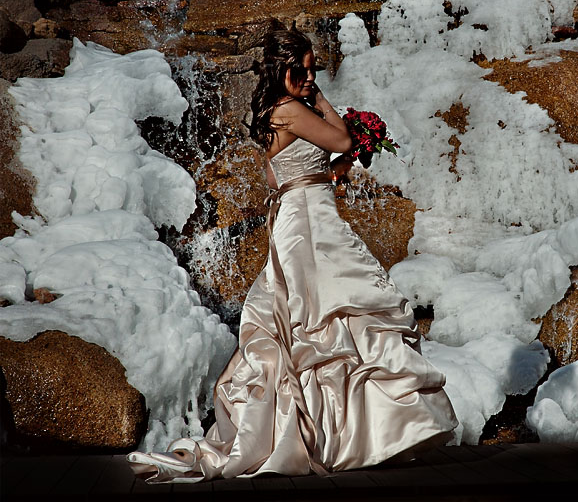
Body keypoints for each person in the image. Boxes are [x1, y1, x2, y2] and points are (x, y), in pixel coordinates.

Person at [127, 30, 457, 482]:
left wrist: (324, 168)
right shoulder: (289, 109)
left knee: (324, 319)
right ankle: (343, 434)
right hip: (308, 224)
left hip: (304, 216)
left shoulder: (275, 113)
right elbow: (341, 140)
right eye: (299, 69)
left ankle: (343, 436)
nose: (307, 77)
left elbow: (278, 174)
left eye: (313, 69)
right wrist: (321, 100)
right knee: (329, 315)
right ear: (278, 71)